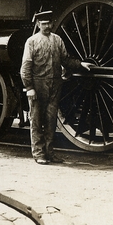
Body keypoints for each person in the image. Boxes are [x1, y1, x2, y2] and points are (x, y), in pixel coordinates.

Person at [21, 11, 94, 164]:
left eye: (49, 23)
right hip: (38, 85)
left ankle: (50, 153)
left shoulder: (57, 40)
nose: (47, 26)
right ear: (38, 24)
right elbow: (26, 67)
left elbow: (65, 60)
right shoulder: (31, 42)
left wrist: (80, 64)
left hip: (54, 85)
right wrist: (29, 87)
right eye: (44, 23)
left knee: (51, 121)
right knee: (36, 120)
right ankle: (39, 154)